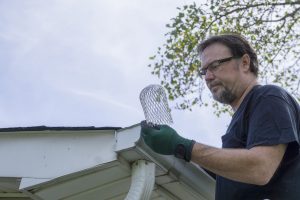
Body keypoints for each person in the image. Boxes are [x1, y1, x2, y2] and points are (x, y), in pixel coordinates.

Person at [141, 34, 300, 200]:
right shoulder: (239, 121)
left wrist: (182, 146)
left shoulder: (267, 97)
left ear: (245, 63)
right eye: (204, 71)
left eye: (215, 66)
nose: (208, 77)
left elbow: (260, 167)